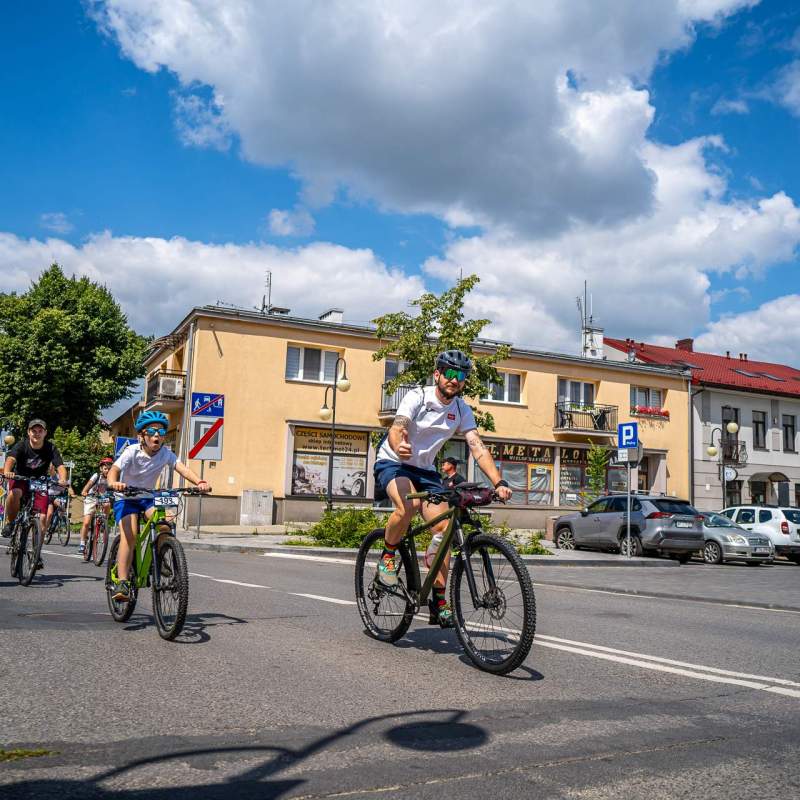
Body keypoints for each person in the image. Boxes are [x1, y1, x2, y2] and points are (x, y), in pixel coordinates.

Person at [373, 350, 512, 627]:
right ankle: (388, 556)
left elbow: (477, 446)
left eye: (460, 376)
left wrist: (499, 482)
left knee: (444, 528)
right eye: (449, 373)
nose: (454, 379)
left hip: (425, 470)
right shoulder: (418, 397)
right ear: (437, 375)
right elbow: (397, 426)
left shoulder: (461, 409)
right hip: (394, 461)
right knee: (409, 506)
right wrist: (399, 443)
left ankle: (438, 600)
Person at [107, 410, 210, 602]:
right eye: (152, 431)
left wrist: (199, 482)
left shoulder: (165, 453)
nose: (157, 435)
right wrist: (114, 483)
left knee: (165, 523)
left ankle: (161, 556)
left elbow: (182, 469)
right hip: (126, 497)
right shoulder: (132, 451)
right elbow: (114, 469)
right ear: (142, 436)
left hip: (147, 497)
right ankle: (122, 581)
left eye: (161, 432)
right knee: (130, 536)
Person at [2, 419, 69, 570]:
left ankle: (36, 553)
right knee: (14, 494)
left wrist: (63, 479)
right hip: (21, 478)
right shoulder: (21, 445)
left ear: (45, 433)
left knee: (43, 518)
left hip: (39, 482)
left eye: (40, 431)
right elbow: (10, 459)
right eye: (34, 431)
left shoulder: (50, 448)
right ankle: (11, 523)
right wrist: (7, 472)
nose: (37, 434)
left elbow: (60, 466)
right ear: (29, 432)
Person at [78, 457, 113, 555]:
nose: (107, 471)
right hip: (91, 497)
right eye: (105, 468)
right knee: (86, 522)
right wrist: (84, 491)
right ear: (101, 469)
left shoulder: (112, 477)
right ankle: (82, 543)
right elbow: (89, 484)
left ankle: (103, 520)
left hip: (102, 497)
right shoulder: (96, 476)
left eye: (109, 469)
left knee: (107, 504)